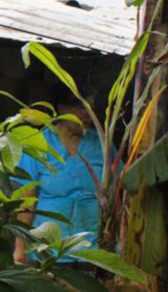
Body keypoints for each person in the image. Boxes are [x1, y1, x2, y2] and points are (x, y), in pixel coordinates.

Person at [12, 97, 105, 264]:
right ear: (61, 109)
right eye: (81, 107)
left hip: (94, 249)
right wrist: (20, 248)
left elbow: (121, 191)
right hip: (47, 250)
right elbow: (27, 202)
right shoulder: (37, 144)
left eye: (91, 108)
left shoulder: (101, 144)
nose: (87, 113)